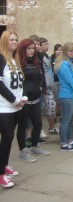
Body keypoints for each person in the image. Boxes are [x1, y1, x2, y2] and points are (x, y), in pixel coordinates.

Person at [0, 31, 26, 188]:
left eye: (16, 39)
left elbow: (17, 83)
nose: (15, 42)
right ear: (4, 41)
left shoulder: (14, 60)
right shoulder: (1, 58)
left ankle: (4, 164)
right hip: (4, 107)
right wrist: (14, 100)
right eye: (11, 39)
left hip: (16, 106)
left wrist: (21, 98)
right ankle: (1, 174)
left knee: (8, 138)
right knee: (7, 137)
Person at [17, 39, 50, 163]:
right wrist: (25, 94)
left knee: (38, 124)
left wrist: (41, 87)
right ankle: (23, 152)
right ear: (23, 49)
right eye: (29, 48)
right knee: (23, 126)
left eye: (33, 48)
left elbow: (40, 77)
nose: (31, 50)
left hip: (36, 99)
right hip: (24, 101)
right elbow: (20, 82)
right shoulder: (19, 63)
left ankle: (35, 146)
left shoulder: (37, 61)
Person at [39, 37, 58, 135]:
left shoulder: (47, 56)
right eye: (45, 44)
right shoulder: (38, 57)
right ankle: (39, 130)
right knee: (39, 110)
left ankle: (52, 128)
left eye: (47, 43)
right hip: (43, 88)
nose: (47, 45)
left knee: (52, 107)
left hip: (50, 86)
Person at [51, 44, 62, 120]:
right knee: (55, 99)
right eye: (57, 50)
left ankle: (62, 116)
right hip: (54, 81)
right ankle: (54, 115)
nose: (59, 51)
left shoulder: (64, 59)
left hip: (62, 82)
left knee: (62, 99)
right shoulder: (51, 59)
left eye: (60, 50)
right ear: (54, 51)